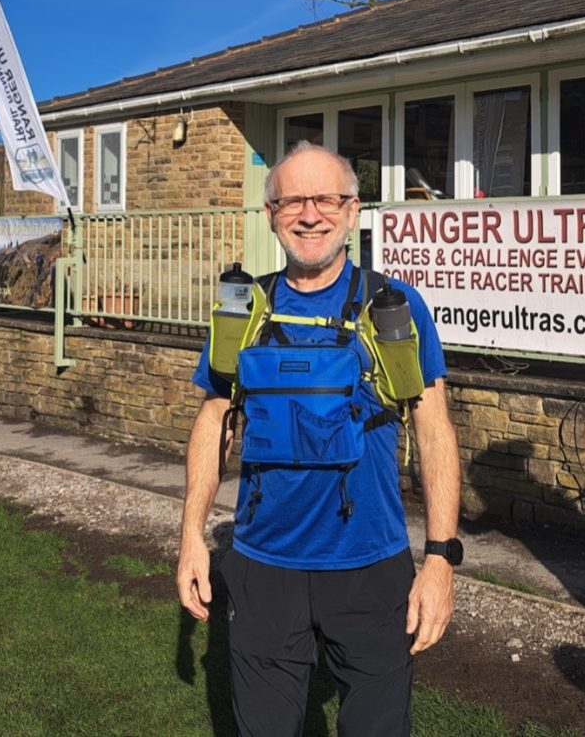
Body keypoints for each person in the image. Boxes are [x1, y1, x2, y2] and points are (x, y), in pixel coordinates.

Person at [176, 142, 461, 737]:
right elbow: (213, 419)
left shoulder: (396, 309)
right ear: (271, 213)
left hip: (371, 562)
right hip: (262, 565)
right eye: (293, 201)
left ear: (352, 209)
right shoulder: (242, 310)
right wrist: (191, 538)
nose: (311, 215)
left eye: (327, 198)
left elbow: (434, 432)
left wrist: (439, 559)